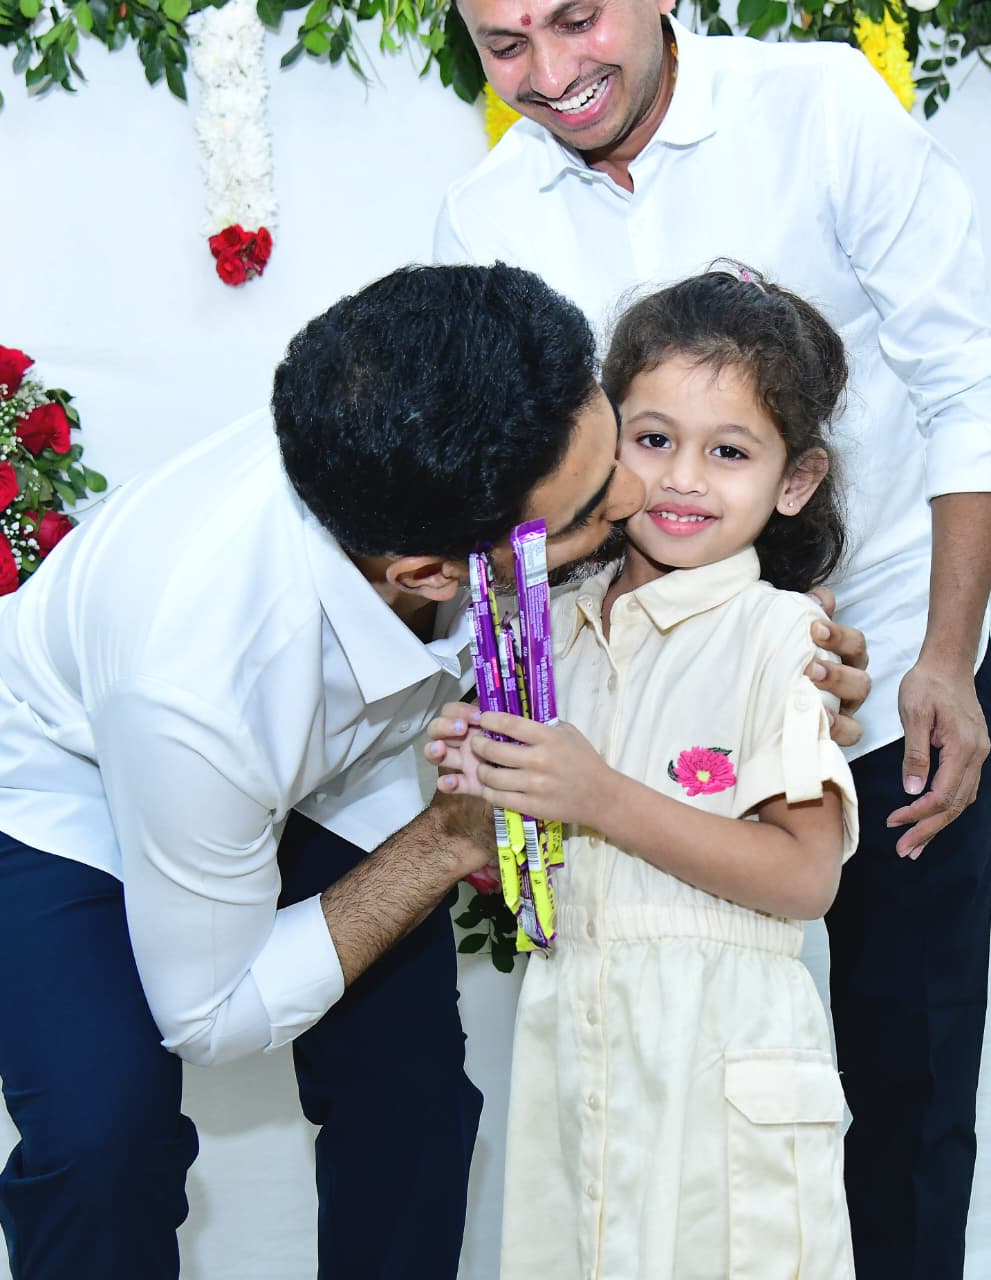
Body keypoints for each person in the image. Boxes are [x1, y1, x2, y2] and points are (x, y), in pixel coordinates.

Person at [435, 5, 991, 1274]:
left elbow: (969, 384)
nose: (551, 74)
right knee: (653, 1082)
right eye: (504, 45)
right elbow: (514, 495)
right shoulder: (484, 216)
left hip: (898, 668)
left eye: (575, 19)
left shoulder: (820, 109)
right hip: (645, 688)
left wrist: (944, 654)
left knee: (906, 1069)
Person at [0, 261, 656, 1280]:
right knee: (103, 1141)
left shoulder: (424, 423)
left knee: (414, 1096)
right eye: (589, 513)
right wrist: (444, 841)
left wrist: (782, 641)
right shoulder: (201, 677)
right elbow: (211, 1012)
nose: (636, 495)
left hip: (339, 756)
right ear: (428, 573)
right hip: (62, 777)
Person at [429, 266, 859, 1278]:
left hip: (722, 1070)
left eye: (729, 451)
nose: (681, 479)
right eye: (653, 438)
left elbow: (806, 875)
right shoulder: (547, 635)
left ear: (795, 481)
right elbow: (532, 866)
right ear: (599, 438)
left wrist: (600, 796)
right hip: (570, 1048)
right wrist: (486, 787)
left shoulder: (783, 635)